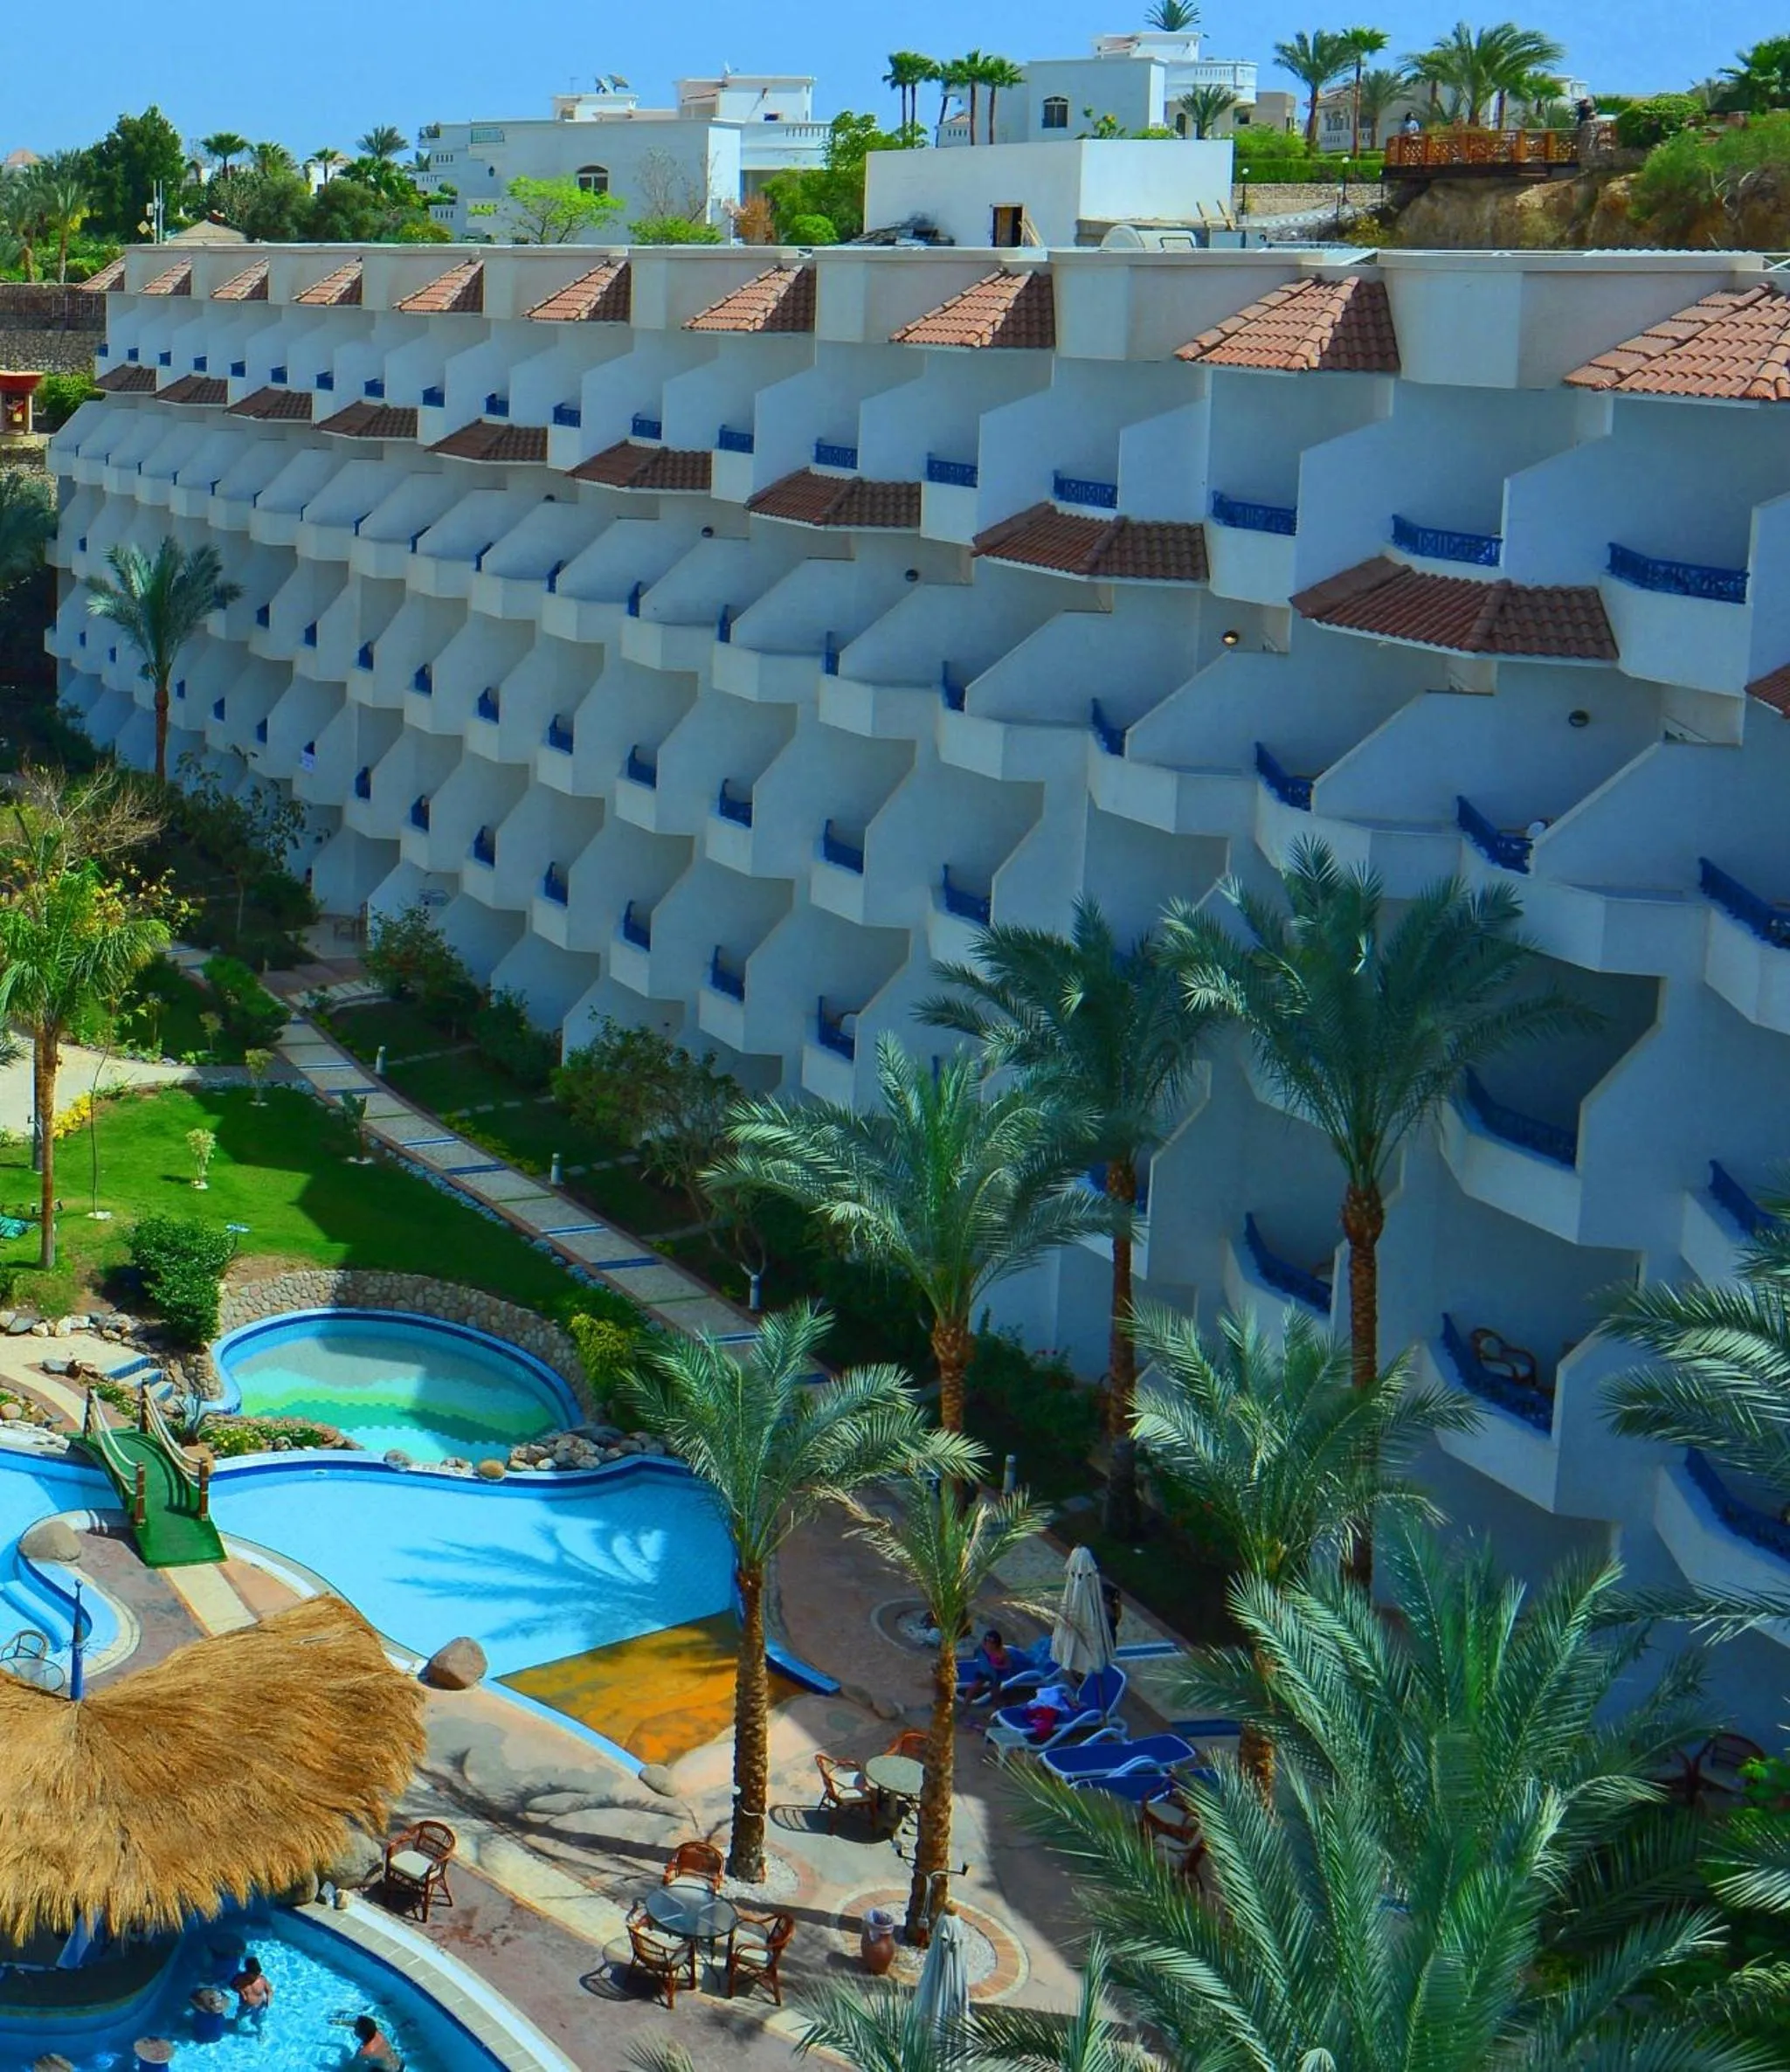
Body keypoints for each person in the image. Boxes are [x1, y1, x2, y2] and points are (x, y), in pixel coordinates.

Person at [959, 1627, 1012, 1705]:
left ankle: (1000, 1705)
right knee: (971, 1690)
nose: (989, 1644)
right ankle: (964, 1710)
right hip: (984, 1671)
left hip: (996, 1674)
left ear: (997, 1643)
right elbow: (976, 1656)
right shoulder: (983, 1648)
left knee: (995, 1694)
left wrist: (997, 1667)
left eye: (992, 1642)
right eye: (987, 1641)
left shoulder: (1002, 1652)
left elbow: (1008, 1665)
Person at [232, 1955, 273, 2024]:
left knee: (255, 2021)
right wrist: (240, 1990)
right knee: (239, 2016)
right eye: (255, 1974)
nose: (257, 1976)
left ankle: (259, 2031)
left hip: (260, 2004)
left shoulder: (261, 1979)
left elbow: (269, 1991)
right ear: (248, 1972)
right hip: (245, 2004)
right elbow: (232, 1986)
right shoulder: (239, 1979)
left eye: (258, 1973)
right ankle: (236, 2024)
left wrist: (268, 2001)